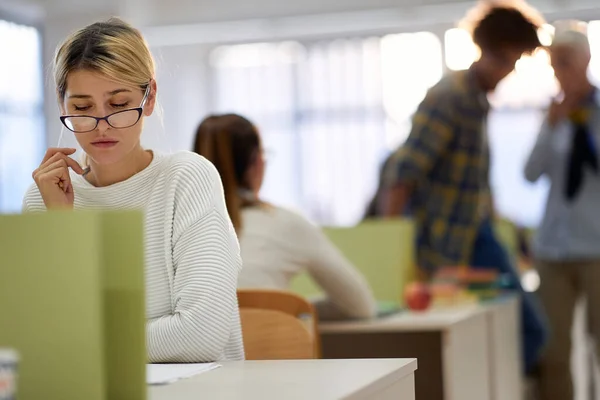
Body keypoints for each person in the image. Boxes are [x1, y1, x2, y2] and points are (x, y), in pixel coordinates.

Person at [22, 18, 244, 363]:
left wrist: (82, 343)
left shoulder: (187, 178)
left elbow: (201, 335)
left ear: (149, 96)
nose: (102, 124)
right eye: (82, 108)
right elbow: (44, 337)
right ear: (62, 104)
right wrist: (63, 227)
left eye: (119, 104)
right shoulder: (44, 196)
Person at [379, 3, 548, 372]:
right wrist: (390, 247)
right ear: (483, 49)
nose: (508, 70)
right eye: (505, 58)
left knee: (511, 330)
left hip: (475, 231)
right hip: (446, 239)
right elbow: (405, 171)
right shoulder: (450, 96)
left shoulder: (476, 100)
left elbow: (472, 179)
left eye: (515, 61)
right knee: (525, 332)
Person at [193, 114, 377, 321]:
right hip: (272, 351)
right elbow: (362, 306)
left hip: (193, 353)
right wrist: (290, 308)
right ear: (256, 163)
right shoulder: (285, 222)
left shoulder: (180, 228)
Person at [524, 27, 600, 400]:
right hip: (553, 249)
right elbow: (530, 173)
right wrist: (551, 126)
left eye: (565, 63)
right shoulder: (552, 116)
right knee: (553, 353)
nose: (560, 72)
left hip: (598, 247)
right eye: (555, 65)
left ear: (586, 61)